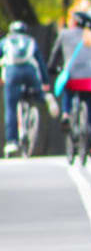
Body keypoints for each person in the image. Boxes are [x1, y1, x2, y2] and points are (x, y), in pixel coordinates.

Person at [48, 11, 91, 160]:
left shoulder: (64, 34)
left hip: (72, 77)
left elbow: (55, 55)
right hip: (90, 79)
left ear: (74, 22)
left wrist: (52, 68)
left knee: (68, 91)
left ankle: (66, 114)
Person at [1, 21, 57, 155]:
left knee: (11, 107)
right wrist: (45, 82)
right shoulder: (30, 41)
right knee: (37, 93)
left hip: (12, 72)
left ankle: (12, 142)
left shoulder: (5, 41)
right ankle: (44, 97)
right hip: (30, 72)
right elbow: (40, 62)